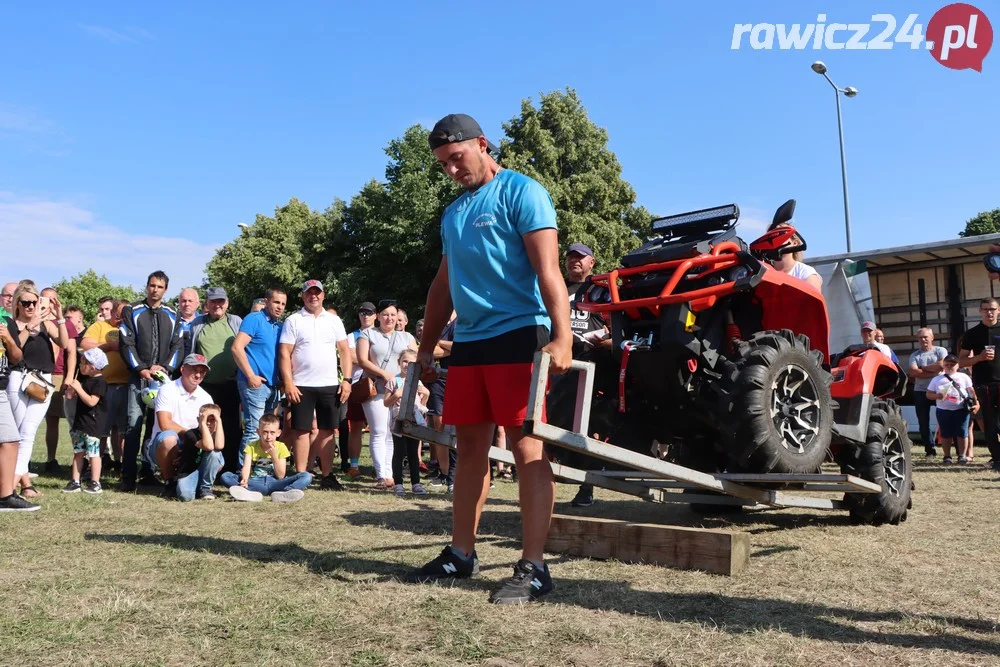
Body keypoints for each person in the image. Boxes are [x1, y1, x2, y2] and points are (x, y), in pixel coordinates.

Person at [407, 113, 572, 604]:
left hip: (521, 332)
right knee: (470, 449)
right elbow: (441, 287)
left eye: (457, 159)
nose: (452, 170)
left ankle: (535, 566)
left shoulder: (523, 192)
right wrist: (423, 349)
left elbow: (549, 270)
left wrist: (561, 337)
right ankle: (461, 554)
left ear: (482, 144)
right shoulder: (454, 214)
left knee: (527, 449)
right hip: (472, 340)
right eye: (443, 165)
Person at [278, 280, 352, 488]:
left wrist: (346, 380)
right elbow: (284, 352)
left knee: (328, 431)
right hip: (301, 384)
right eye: (309, 293)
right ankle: (301, 476)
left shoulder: (333, 320)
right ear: (303, 296)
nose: (314, 296)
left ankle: (327, 476)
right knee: (300, 431)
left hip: (329, 384)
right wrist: (289, 383)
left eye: (317, 293)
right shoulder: (293, 320)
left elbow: (345, 351)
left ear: (323, 295)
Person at [118, 271, 183, 492]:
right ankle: (127, 477)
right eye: (152, 285)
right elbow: (126, 342)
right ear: (147, 286)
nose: (155, 290)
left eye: (160, 287)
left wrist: (165, 368)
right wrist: (141, 368)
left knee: (154, 428)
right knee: (133, 426)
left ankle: (147, 472)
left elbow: (178, 344)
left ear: (166, 290)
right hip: (139, 378)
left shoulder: (173, 313)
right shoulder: (132, 310)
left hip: (162, 381)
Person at [562, 241, 612, 508]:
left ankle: (587, 487)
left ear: (592, 262)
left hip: (590, 363)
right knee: (555, 423)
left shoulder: (601, 289)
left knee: (588, 427)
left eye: (581, 257)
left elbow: (615, 323)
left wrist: (607, 339)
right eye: (570, 257)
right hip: (559, 364)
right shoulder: (556, 288)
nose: (574, 261)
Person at [8, 284, 70, 498]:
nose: (31, 306)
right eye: (26, 302)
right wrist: (29, 326)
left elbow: (63, 343)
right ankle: (14, 485)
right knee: (14, 434)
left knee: (28, 433)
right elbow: (14, 350)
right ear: (17, 304)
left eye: (34, 302)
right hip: (19, 378)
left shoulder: (45, 323)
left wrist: (59, 317)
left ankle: (11, 485)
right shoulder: (11, 324)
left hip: (42, 382)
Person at [356, 300, 418, 490]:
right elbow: (362, 360)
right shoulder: (368, 334)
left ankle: (390, 474)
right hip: (376, 389)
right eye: (385, 314)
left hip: (399, 392)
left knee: (392, 433)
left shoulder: (406, 336)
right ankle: (381, 475)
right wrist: (384, 374)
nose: (389, 318)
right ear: (378, 316)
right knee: (378, 431)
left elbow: (415, 361)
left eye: (392, 314)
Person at [149, 353, 219, 500]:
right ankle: (169, 482)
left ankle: (201, 487)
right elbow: (165, 424)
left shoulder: (206, 397)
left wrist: (191, 447)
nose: (198, 374)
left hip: (193, 445)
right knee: (169, 438)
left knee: (218, 460)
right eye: (194, 369)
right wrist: (191, 439)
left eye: (202, 371)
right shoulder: (167, 389)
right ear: (182, 369)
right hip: (169, 443)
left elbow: (211, 432)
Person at [190, 287, 243, 473]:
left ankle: (229, 467)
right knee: (204, 425)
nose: (217, 305)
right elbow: (191, 351)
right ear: (207, 304)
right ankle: (203, 467)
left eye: (221, 301)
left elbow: (244, 349)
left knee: (231, 427)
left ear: (227, 303)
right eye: (213, 301)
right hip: (204, 385)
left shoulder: (235, 322)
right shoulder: (197, 324)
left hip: (231, 384)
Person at [232, 287, 286, 466]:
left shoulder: (279, 326)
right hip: (254, 384)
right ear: (267, 301)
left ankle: (261, 470)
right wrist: (250, 375)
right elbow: (237, 348)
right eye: (276, 302)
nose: (280, 307)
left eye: (283, 304)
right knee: (255, 431)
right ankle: (244, 474)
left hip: (273, 386)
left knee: (269, 432)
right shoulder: (253, 319)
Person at [81, 298, 130, 471]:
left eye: (126, 313)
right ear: (114, 311)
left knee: (123, 430)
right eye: (119, 313)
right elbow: (85, 344)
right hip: (105, 386)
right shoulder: (100, 327)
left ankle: (122, 465)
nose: (121, 316)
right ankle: (96, 466)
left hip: (127, 385)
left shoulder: (130, 326)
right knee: (101, 430)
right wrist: (109, 346)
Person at [221, 413, 311, 503]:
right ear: (258, 431)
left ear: (278, 433)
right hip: (254, 482)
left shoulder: (281, 447)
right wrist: (245, 479)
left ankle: (285, 492)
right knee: (226, 476)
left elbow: (280, 476)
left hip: (275, 483)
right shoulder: (251, 446)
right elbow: (246, 466)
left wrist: (274, 455)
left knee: (306, 476)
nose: (268, 436)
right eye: (265, 432)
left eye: (272, 433)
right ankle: (247, 492)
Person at [959, 297, 1000, 471]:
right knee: (989, 423)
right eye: (985, 309)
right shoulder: (972, 334)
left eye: (992, 309)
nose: (989, 312)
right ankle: (997, 459)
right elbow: (961, 361)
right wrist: (980, 357)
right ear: (980, 311)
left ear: (998, 310)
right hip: (984, 383)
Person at [0, 304, 34, 511]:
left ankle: (5, 496)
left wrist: (8, 338)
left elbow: (16, 357)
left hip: (1, 387)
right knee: (10, 440)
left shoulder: (7, 323)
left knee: (11, 440)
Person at [41, 287, 79, 473]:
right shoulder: (35, 320)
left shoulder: (65, 324)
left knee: (74, 421)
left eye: (52, 299)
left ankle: (78, 461)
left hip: (60, 375)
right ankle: (50, 459)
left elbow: (71, 352)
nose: (48, 303)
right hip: (40, 375)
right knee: (51, 420)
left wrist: (70, 377)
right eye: (45, 299)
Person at [61, 348, 109, 494]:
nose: (81, 366)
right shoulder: (84, 380)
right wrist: (71, 388)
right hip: (80, 422)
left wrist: (79, 389)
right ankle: (75, 481)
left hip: (93, 424)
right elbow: (70, 397)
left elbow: (92, 402)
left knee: (94, 453)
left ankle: (95, 482)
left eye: (83, 363)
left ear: (93, 366)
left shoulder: (100, 382)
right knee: (78, 452)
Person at [385, 349, 429, 496]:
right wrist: (396, 394)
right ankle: (398, 483)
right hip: (398, 421)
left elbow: (421, 405)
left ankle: (415, 483)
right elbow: (386, 402)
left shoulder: (418, 382)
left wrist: (426, 395)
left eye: (411, 362)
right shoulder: (393, 380)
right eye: (404, 361)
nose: (407, 365)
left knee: (413, 452)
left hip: (414, 422)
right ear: (399, 362)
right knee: (399, 452)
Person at [344, 301, 377, 478]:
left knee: (379, 429)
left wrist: (362, 358)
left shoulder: (380, 334)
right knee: (355, 427)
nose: (365, 315)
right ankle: (354, 466)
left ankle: (378, 466)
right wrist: (373, 359)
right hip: (358, 386)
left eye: (369, 313)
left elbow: (359, 357)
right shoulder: (351, 335)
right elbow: (350, 356)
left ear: (375, 316)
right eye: (362, 312)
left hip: (378, 386)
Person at [927, 355, 979, 464]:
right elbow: (928, 394)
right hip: (943, 410)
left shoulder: (964, 377)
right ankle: (947, 456)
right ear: (943, 365)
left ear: (957, 365)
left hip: (961, 409)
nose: (949, 366)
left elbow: (971, 391)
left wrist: (976, 403)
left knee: (962, 433)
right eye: (947, 364)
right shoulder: (937, 379)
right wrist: (937, 396)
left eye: (952, 364)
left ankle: (962, 456)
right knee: (946, 434)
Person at [908, 328, 949, 457]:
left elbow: (941, 366)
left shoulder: (940, 350)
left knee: (945, 419)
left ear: (932, 338)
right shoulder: (914, 355)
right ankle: (930, 450)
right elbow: (913, 373)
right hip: (920, 390)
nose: (923, 340)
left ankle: (949, 451)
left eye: (925, 337)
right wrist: (933, 370)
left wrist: (922, 369)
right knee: (923, 422)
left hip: (940, 389)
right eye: (920, 338)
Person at [766, 223, 822, 290]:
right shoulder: (764, 270)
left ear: (795, 243)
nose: (775, 239)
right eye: (771, 236)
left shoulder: (805, 272)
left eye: (781, 234)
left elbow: (813, 298)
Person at [176, 288, 201, 359]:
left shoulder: (204, 322)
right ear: (179, 303)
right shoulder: (171, 321)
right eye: (184, 301)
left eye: (190, 301)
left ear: (197, 303)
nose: (187, 304)